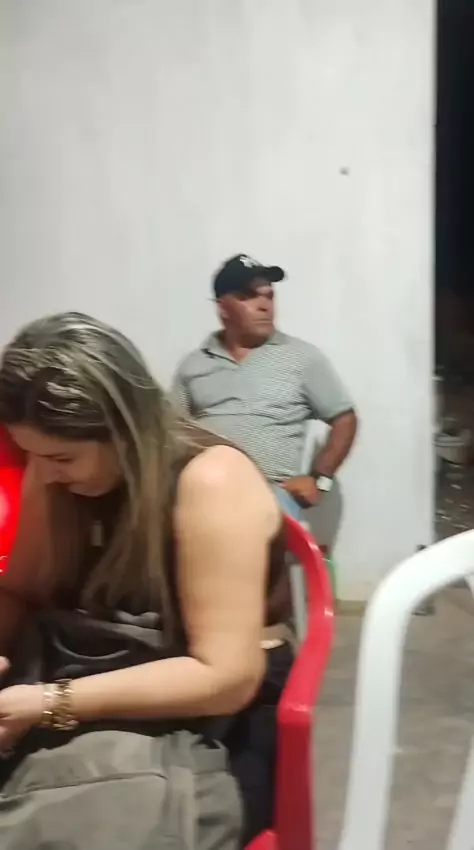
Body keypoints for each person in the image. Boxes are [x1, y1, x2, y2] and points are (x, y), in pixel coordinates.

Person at [0, 312, 293, 849]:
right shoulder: (53, 470)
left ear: (125, 430)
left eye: (62, 457)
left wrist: (49, 702)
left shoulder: (210, 480)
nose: (45, 473)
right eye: (32, 455)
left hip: (215, 717)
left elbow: (225, 678)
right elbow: (20, 591)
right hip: (98, 670)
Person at [172, 254, 357, 520]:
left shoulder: (302, 358)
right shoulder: (194, 365)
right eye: (249, 297)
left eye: (269, 296)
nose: (264, 306)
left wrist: (320, 480)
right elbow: (171, 432)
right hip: (206, 493)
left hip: (271, 495)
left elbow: (345, 419)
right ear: (223, 308)